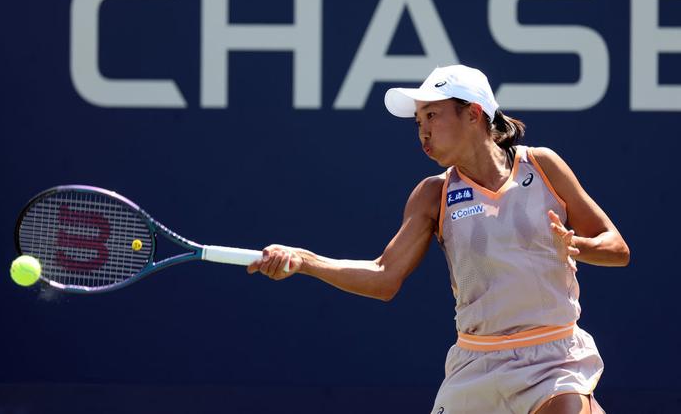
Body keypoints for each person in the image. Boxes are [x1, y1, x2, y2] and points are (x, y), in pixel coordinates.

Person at [247, 64, 630, 414]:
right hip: (476, 367)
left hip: (554, 360)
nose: (423, 132)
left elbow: (617, 248)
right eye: (418, 122)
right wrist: (305, 261)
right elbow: (383, 277)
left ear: (473, 114)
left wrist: (579, 246)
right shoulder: (433, 194)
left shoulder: (542, 166)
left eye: (432, 115)